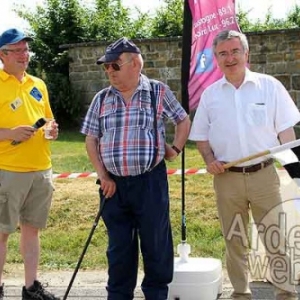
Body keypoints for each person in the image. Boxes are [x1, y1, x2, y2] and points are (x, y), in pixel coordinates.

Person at [189, 29, 300, 300]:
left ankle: (285, 292)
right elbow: (201, 137)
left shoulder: (269, 86)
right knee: (234, 238)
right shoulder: (210, 95)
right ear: (215, 58)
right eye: (223, 53)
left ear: (246, 53)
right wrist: (210, 160)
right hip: (227, 178)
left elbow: (287, 134)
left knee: (274, 235)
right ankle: (241, 292)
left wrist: (294, 169)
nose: (230, 58)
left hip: (264, 174)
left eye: (235, 51)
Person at [81, 37, 190, 300]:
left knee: (156, 244)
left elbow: (183, 120)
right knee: (119, 249)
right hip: (113, 186)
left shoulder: (157, 91)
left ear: (135, 63)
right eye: (106, 67)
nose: (109, 72)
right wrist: (102, 175)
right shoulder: (101, 98)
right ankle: (118, 295)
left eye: (114, 66)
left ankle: (156, 294)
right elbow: (91, 139)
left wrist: (174, 149)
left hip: (150, 182)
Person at [0, 28, 59, 300]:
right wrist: (10, 134)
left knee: (32, 231)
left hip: (40, 169)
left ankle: (31, 288)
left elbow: (48, 119)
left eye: (26, 50)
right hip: (7, 171)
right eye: (18, 50)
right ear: (3, 55)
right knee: (1, 233)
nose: (25, 55)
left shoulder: (38, 83)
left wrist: (52, 129)